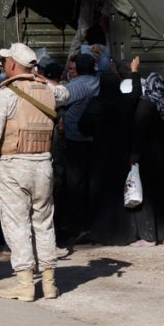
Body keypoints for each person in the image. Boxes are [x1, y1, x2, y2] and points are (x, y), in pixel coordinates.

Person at [0, 42, 69, 302]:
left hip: (14, 165)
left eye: (6, 61)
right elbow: (65, 92)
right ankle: (49, 283)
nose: (4, 65)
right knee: (44, 223)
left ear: (13, 65)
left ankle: (25, 283)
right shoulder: (49, 93)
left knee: (17, 225)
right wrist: (37, 76)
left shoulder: (5, 95)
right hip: (43, 164)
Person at [79, 58, 142, 245]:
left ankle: (100, 234)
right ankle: (122, 235)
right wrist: (135, 72)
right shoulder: (124, 101)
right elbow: (137, 92)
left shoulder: (95, 104)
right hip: (121, 153)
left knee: (100, 195)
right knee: (118, 193)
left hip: (99, 154)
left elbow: (83, 126)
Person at [59, 52, 98, 243]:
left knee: (75, 185)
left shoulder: (72, 87)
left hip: (75, 140)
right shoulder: (100, 83)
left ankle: (77, 227)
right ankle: (92, 225)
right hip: (96, 141)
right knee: (93, 184)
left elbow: (58, 104)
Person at [129, 72, 164, 245]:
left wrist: (134, 156)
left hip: (147, 157)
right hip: (162, 156)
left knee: (147, 196)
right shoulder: (163, 104)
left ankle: (148, 236)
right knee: (161, 194)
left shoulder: (146, 104)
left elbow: (138, 132)